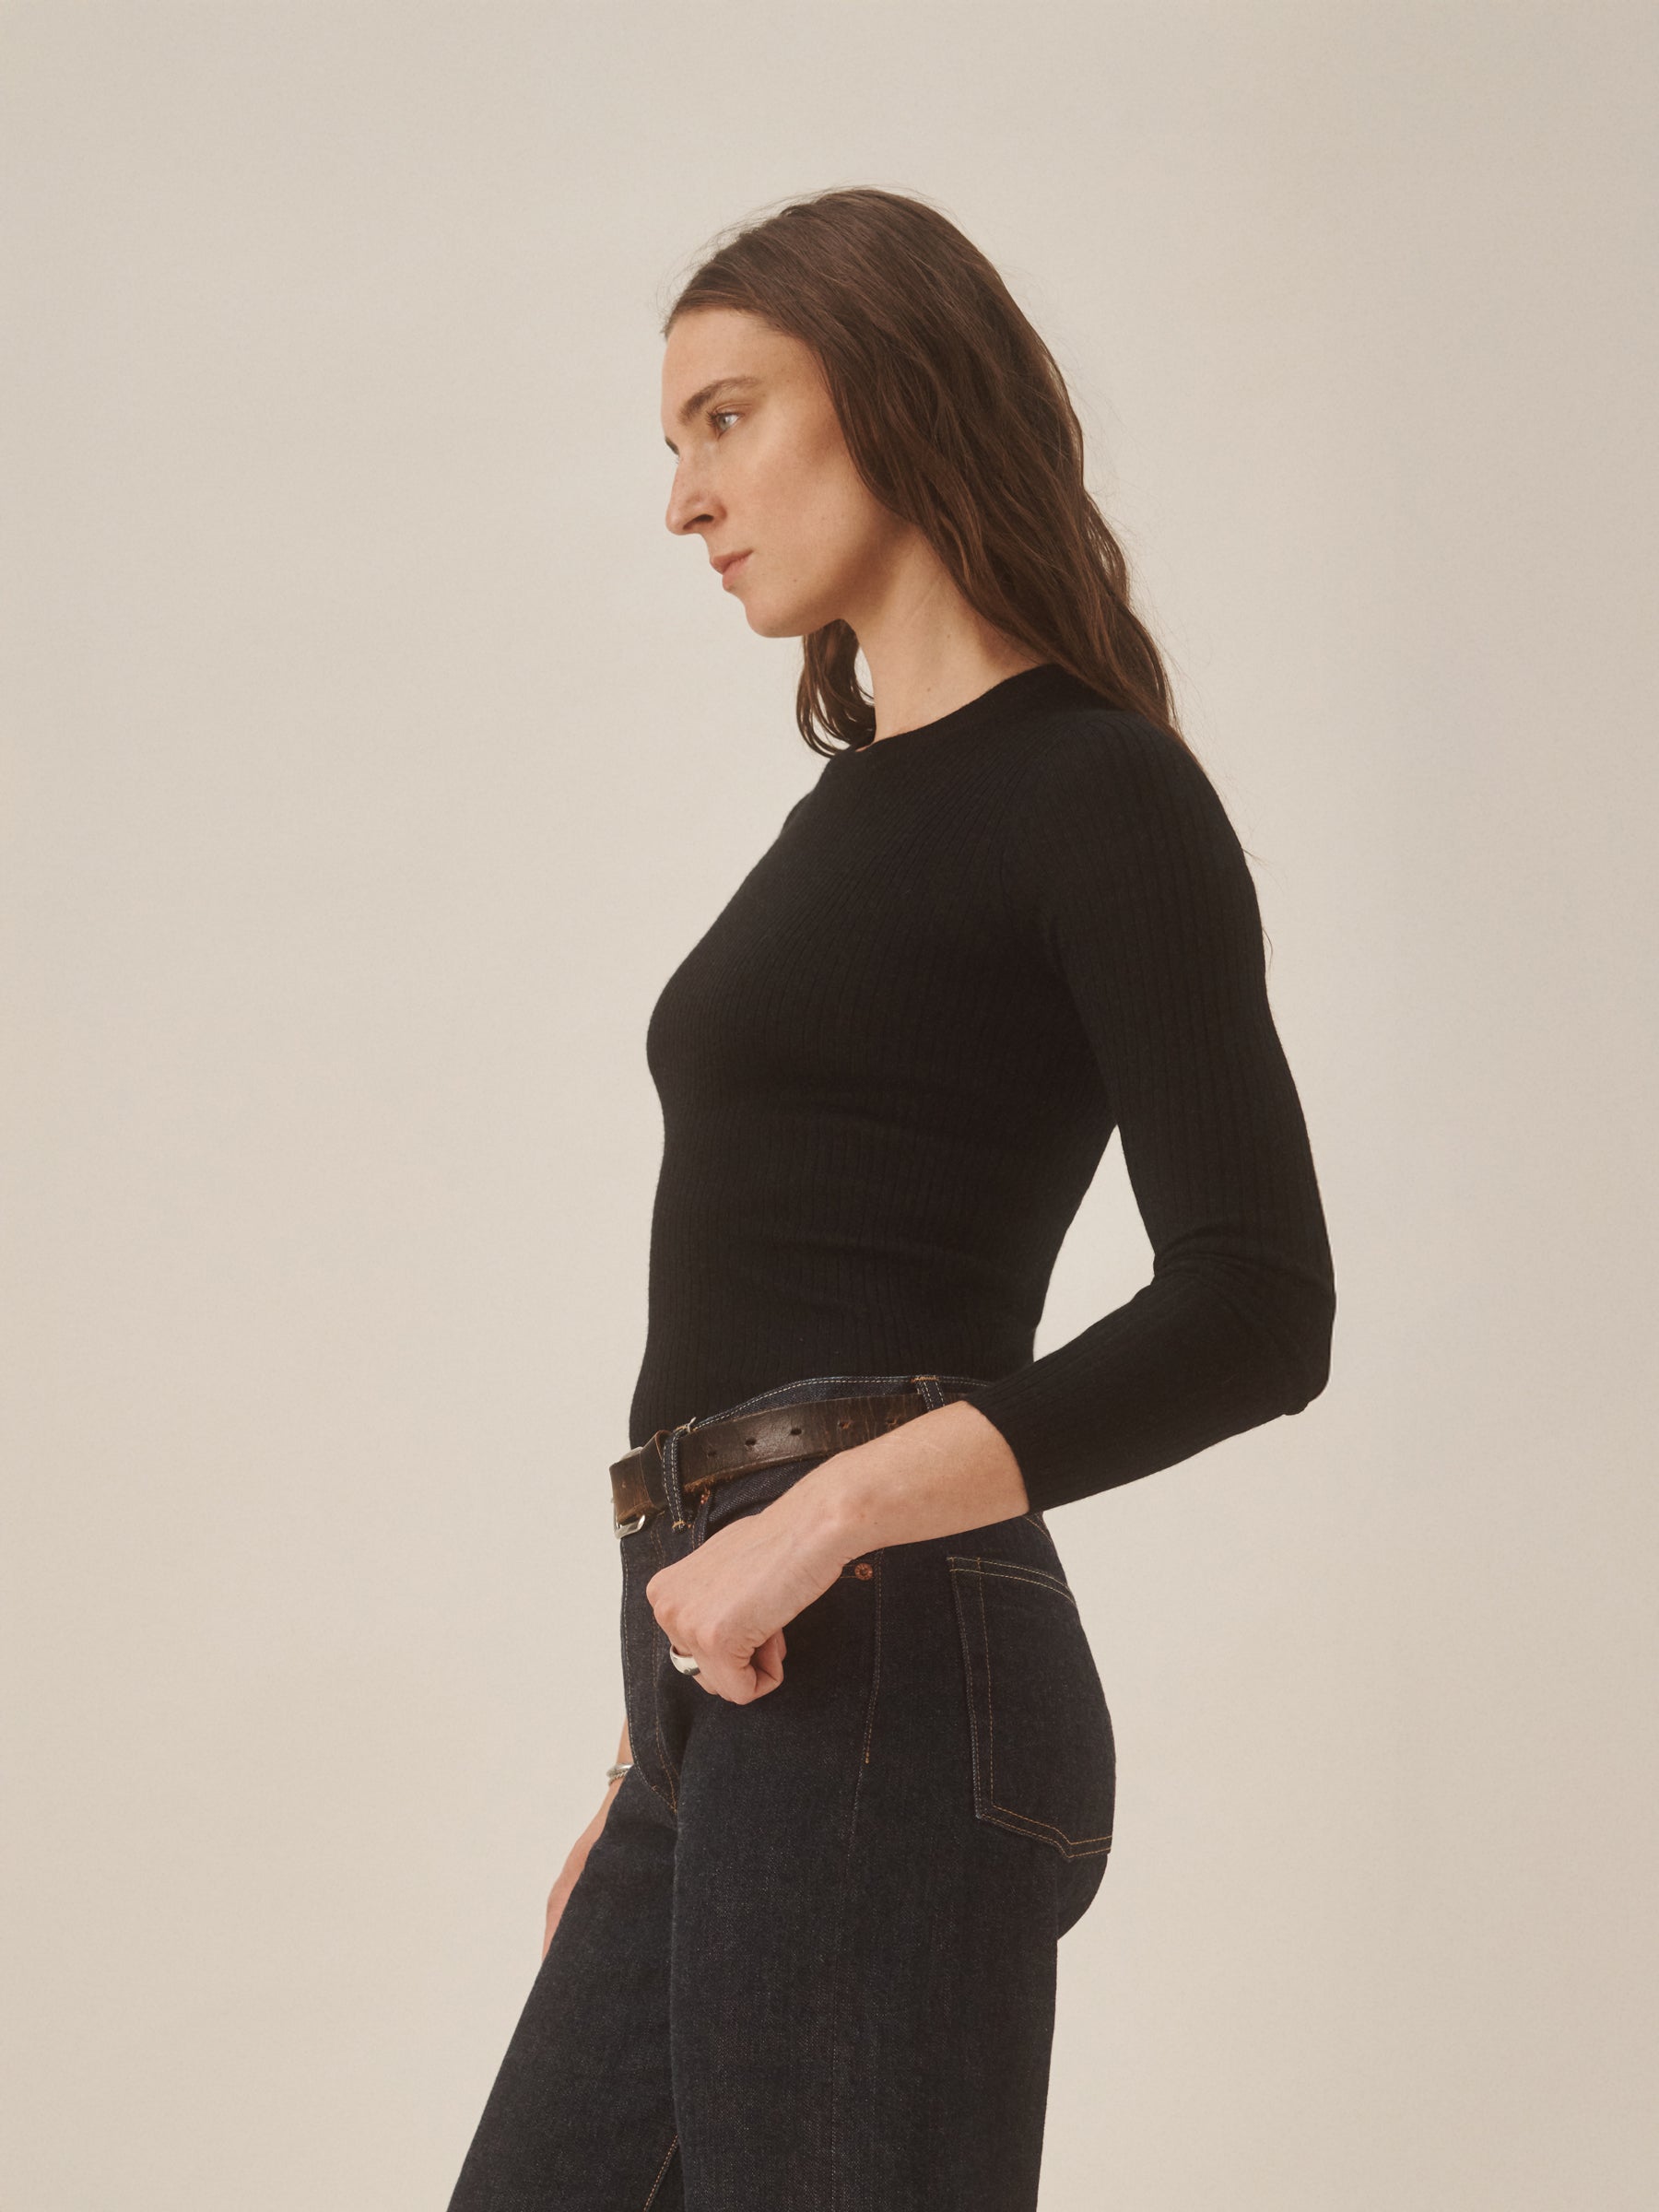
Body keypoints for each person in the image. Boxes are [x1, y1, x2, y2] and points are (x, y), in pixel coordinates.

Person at [446, 186, 1335, 2212]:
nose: (685, 497)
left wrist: (823, 1521)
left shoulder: (1098, 789)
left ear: (896, 389)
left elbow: (1257, 1305)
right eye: (674, 441)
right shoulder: (847, 812)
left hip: (885, 1648)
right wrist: (648, 1749)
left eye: (726, 417)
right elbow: (770, 1277)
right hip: (730, 1676)